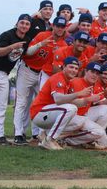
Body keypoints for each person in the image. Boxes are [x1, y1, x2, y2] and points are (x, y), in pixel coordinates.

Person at [30, 57, 105, 150]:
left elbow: (70, 102)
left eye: (76, 68)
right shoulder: (58, 77)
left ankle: (50, 135)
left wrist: (87, 100)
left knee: (89, 126)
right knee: (71, 108)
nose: (73, 70)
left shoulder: (68, 81)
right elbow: (58, 99)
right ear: (64, 67)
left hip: (50, 113)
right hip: (39, 113)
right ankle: (50, 140)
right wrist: (78, 94)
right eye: (71, 67)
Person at [13, 16, 68, 145]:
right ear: (53, 26)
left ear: (65, 28)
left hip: (42, 74)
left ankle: (36, 134)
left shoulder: (63, 44)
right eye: (57, 26)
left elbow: (57, 66)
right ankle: (18, 134)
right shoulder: (43, 35)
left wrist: (57, 53)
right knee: (22, 102)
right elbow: (27, 53)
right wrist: (41, 44)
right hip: (27, 70)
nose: (59, 29)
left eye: (62, 26)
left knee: (41, 103)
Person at [0, 14, 31, 145]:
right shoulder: (7, 35)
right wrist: (12, 47)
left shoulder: (26, 39)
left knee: (1, 106)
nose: (24, 26)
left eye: (27, 24)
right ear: (17, 23)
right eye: (22, 23)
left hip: (4, 75)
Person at [69, 62, 107, 149]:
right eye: (92, 72)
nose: (95, 75)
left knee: (104, 143)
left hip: (84, 116)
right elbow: (68, 103)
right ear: (86, 71)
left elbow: (104, 105)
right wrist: (87, 100)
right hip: (71, 117)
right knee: (99, 133)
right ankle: (66, 140)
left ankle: (89, 140)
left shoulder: (95, 86)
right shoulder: (75, 82)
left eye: (97, 73)